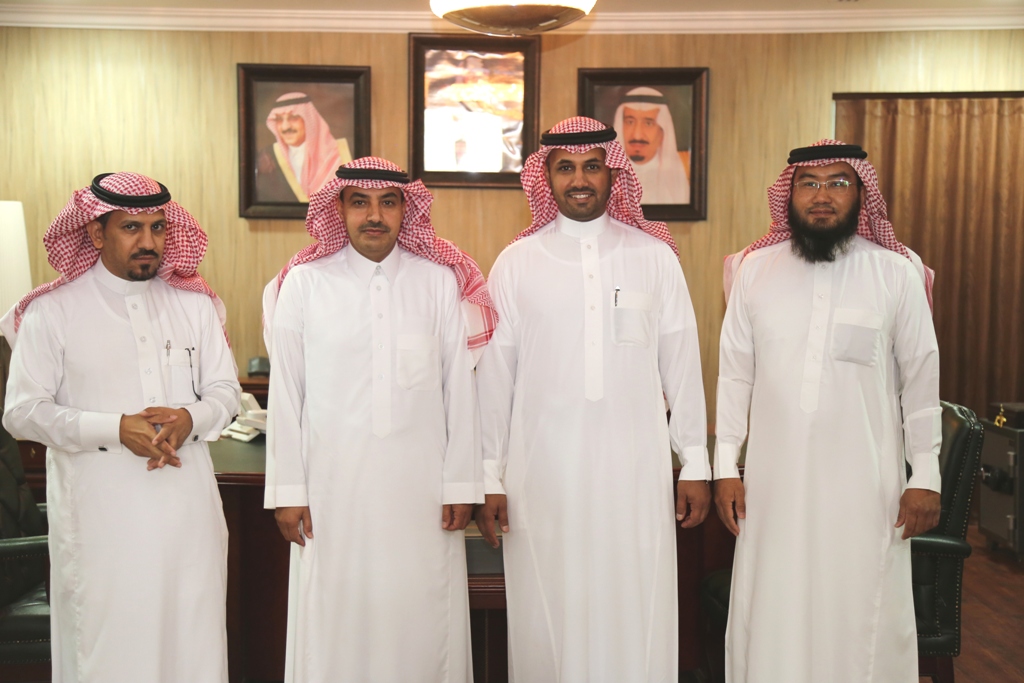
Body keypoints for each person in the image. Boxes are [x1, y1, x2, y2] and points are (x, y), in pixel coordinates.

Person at [474, 116, 710, 682]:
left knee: (633, 604)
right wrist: (488, 474)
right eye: (565, 168)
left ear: (612, 174)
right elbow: (495, 380)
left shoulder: (653, 257)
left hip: (634, 474)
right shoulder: (516, 262)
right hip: (542, 476)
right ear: (546, 178)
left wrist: (695, 463)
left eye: (591, 167)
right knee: (547, 609)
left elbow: (682, 363)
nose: (579, 180)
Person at [262, 156, 497, 683]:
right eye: (360, 202)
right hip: (331, 492)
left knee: (422, 615)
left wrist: (462, 484)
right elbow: (287, 395)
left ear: (404, 210)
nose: (374, 215)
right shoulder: (304, 284)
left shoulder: (437, 282)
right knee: (335, 618)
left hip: (422, 493)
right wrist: (288, 492)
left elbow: (459, 391)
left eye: (388, 202)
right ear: (339, 210)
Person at [714, 140, 941, 682]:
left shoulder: (896, 274)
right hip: (773, 486)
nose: (823, 195)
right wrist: (725, 466)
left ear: (861, 193)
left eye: (839, 183)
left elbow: (921, 380)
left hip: (867, 488)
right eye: (809, 183)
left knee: (860, 608)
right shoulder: (753, 271)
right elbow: (734, 376)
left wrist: (926, 475)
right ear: (789, 193)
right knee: (773, 601)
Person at [0, 172, 240, 683]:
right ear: (95, 232)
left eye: (158, 228)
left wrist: (190, 419)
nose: (148, 241)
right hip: (101, 521)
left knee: (191, 646)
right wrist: (115, 429)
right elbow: (21, 412)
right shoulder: (52, 312)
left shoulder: (194, 305)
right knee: (109, 652)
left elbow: (226, 392)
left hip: (188, 515)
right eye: (132, 228)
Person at [255, 91, 353, 203]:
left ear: (309, 120)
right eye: (279, 120)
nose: (285, 127)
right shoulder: (268, 156)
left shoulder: (342, 152)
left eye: (293, 118)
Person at [612, 86, 690, 204]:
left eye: (648, 123)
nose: (637, 135)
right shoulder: (603, 173)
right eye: (630, 122)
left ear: (662, 132)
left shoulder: (686, 168)